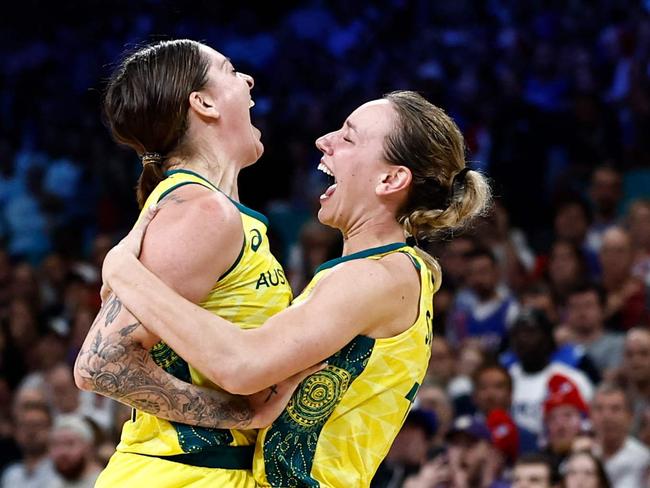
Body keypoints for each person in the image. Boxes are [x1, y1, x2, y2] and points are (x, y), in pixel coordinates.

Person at [99, 90, 492, 486]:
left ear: (391, 179)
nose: (325, 140)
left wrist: (125, 272)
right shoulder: (389, 271)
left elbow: (241, 365)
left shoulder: (375, 277)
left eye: (348, 137)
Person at [73, 39, 318, 487]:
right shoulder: (201, 211)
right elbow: (102, 364)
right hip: (179, 475)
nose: (248, 79)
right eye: (229, 70)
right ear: (203, 103)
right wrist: (240, 412)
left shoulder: (206, 208)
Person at [591, 383, 650, 487]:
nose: (606, 416)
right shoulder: (582, 456)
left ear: (630, 416)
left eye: (615, 409)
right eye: (599, 409)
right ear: (590, 415)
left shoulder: (644, 460)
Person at [48, 414, 102, 488]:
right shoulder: (53, 484)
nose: (62, 452)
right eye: (56, 444)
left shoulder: (105, 482)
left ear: (89, 447)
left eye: (70, 444)